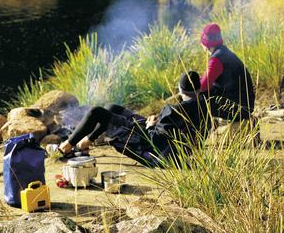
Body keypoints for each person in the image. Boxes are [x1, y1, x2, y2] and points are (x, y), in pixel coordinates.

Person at [56, 72, 211, 167]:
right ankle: (85, 143)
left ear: (180, 89)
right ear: (199, 88)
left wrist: (150, 126)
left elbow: (155, 140)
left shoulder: (175, 110)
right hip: (172, 148)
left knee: (97, 112)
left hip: (153, 149)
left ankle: (65, 147)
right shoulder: (205, 107)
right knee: (112, 108)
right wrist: (157, 122)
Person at [198, 23, 255, 119]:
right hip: (246, 106)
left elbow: (202, 86)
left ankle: (195, 128)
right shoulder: (225, 53)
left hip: (236, 109)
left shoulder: (216, 59)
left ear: (205, 43)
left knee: (198, 95)